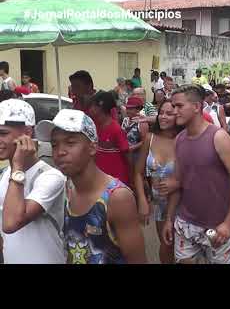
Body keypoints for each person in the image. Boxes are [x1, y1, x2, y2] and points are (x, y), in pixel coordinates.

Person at [36, 109, 147, 264]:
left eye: (70, 142)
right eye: (54, 145)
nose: (60, 152)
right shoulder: (67, 189)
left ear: (92, 147)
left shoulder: (117, 198)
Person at [162, 85, 230, 264]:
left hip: (218, 227)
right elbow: (178, 183)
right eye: (173, 106)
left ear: (196, 107)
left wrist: (229, 223)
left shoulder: (219, 138)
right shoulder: (179, 140)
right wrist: (169, 220)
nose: (174, 111)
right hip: (185, 225)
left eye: (179, 106)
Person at [0, 99, 65, 264]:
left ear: (27, 133)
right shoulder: (4, 175)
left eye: (3, 133)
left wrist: (17, 166)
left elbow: (11, 223)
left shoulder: (50, 177)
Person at [134, 100, 182, 264]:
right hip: (160, 206)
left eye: (169, 114)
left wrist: (178, 183)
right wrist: (142, 200)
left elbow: (198, 174)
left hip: (183, 205)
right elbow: (138, 173)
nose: (163, 117)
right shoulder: (150, 138)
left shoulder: (184, 140)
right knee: (166, 245)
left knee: (184, 250)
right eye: (161, 112)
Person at [88, 91, 132, 187]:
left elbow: (128, 157)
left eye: (92, 106)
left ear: (100, 107)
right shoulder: (94, 125)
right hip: (101, 180)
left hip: (117, 183)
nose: (90, 109)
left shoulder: (116, 129)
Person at [121, 96, 149, 162]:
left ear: (138, 109)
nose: (128, 111)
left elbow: (145, 142)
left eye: (131, 109)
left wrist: (132, 148)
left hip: (136, 156)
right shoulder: (125, 120)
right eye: (127, 108)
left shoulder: (142, 122)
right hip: (124, 154)